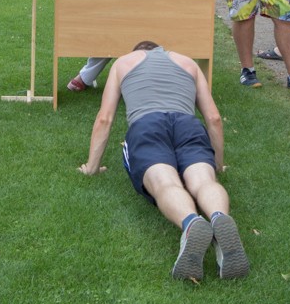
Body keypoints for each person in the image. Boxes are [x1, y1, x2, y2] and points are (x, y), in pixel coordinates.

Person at [78, 41, 250, 281]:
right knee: (203, 181)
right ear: (160, 49)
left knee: (165, 184)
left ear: (138, 51)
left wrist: (92, 167)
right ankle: (219, 217)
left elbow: (104, 119)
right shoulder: (188, 63)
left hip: (147, 126)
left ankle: (191, 223)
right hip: (187, 124)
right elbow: (213, 118)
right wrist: (217, 164)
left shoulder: (123, 63)